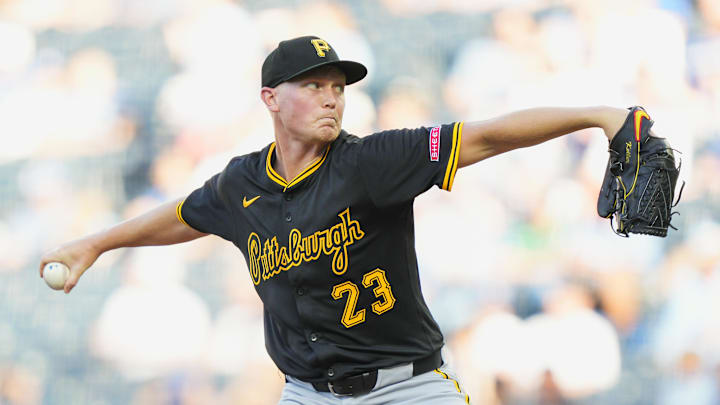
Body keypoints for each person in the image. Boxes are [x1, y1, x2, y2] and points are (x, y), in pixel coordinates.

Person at [40, 35, 632, 404]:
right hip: (306, 395)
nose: (332, 97)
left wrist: (596, 115)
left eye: (338, 88)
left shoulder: (374, 161)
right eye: (314, 85)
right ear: (271, 98)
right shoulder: (241, 184)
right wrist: (97, 243)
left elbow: (485, 135)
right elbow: (185, 215)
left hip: (409, 388)